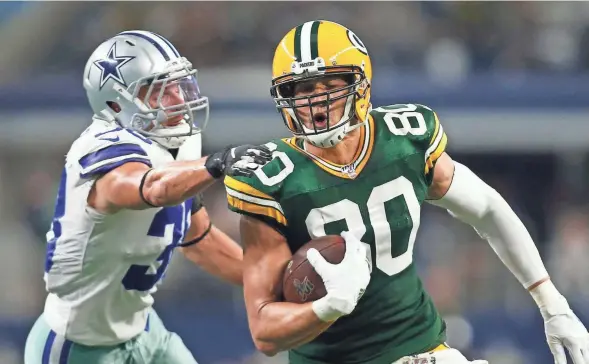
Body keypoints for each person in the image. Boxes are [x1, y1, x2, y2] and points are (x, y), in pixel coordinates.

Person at [225, 20, 589, 364]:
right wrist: (330, 305)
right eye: (303, 90)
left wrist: (551, 303)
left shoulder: (403, 139)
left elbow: (487, 209)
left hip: (421, 347)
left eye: (331, 87)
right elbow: (264, 330)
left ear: (360, 84)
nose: (317, 104)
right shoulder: (270, 178)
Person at [24, 30, 271, 364]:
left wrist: (270, 283)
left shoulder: (180, 144)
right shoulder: (100, 148)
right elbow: (150, 188)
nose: (177, 98)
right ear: (115, 104)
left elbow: (197, 239)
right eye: (159, 91)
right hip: (77, 346)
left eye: (177, 84)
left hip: (143, 331)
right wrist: (216, 164)